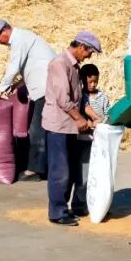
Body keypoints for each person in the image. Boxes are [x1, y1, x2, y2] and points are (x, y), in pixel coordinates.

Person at [0, 18, 57, 182]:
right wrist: (14, 86)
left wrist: (1, 89)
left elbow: (14, 66)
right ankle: (44, 166)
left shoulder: (19, 39)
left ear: (5, 30)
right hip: (45, 87)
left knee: (37, 129)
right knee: (43, 128)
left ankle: (34, 170)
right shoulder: (24, 38)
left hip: (46, 89)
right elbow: (30, 68)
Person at [43, 31, 102, 226]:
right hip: (58, 126)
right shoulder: (59, 64)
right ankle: (57, 213)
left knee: (68, 170)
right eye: (89, 52)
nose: (89, 57)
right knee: (60, 171)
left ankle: (63, 208)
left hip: (68, 127)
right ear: (82, 47)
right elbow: (63, 99)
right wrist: (79, 118)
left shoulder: (74, 67)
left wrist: (93, 116)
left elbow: (78, 98)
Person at [74, 63, 111, 209]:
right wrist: (91, 123)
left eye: (96, 81)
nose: (93, 84)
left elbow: (107, 114)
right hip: (84, 141)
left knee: (99, 173)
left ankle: (98, 204)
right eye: (90, 81)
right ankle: (80, 203)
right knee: (83, 173)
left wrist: (104, 122)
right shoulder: (80, 96)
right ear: (83, 80)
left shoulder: (102, 97)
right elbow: (81, 113)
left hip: (100, 142)